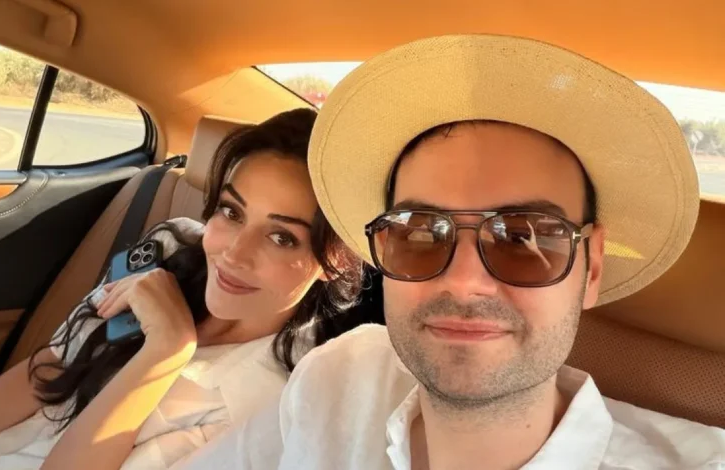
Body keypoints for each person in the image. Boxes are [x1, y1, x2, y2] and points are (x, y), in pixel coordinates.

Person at [174, 35, 725, 469]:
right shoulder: (342, 374)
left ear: (592, 267)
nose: (463, 281)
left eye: (523, 237)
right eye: (419, 232)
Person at [0, 108, 365, 470]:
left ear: (335, 261)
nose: (233, 253)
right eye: (231, 212)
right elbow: (53, 366)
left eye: (281, 237)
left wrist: (166, 350)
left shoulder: (275, 404)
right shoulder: (169, 249)